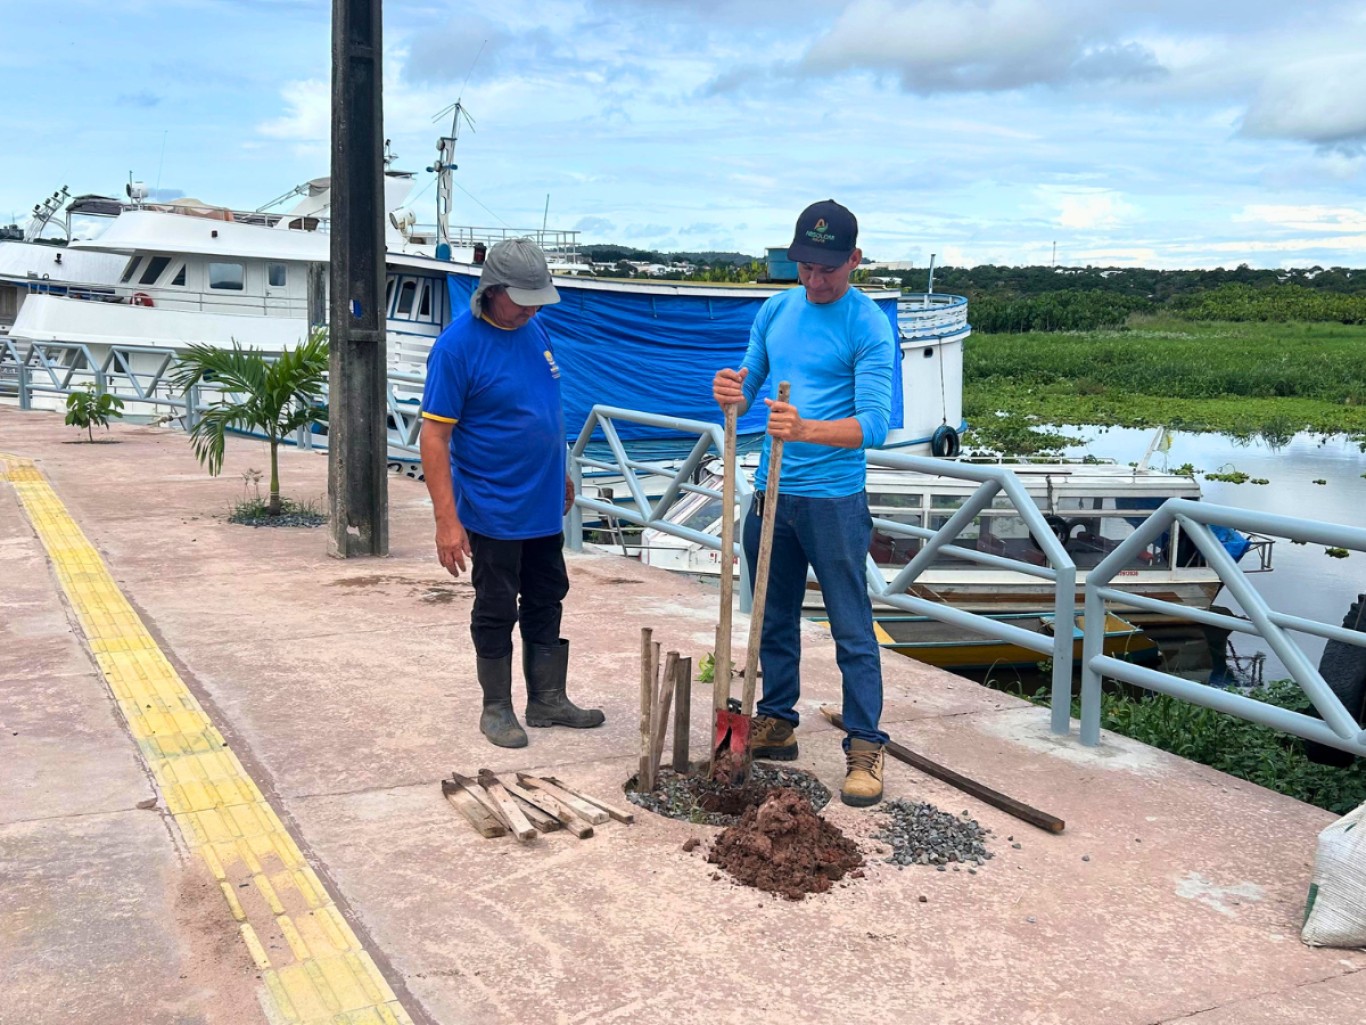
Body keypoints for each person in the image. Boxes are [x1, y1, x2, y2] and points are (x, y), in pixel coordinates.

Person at [712, 200, 896, 807]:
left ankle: (865, 745)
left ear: (854, 260)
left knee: (850, 626)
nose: (816, 281)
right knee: (770, 613)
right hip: (772, 492)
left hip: (834, 500)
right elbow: (747, 387)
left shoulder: (867, 323)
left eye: (828, 270)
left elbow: (875, 424)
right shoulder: (775, 309)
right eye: (805, 268)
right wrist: (729, 393)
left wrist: (805, 429)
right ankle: (777, 719)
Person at [419, 238, 605, 748]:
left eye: (538, 297)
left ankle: (548, 698)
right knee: (497, 604)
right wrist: (447, 520)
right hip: (494, 506)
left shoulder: (535, 328)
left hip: (543, 502)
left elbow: (545, 409)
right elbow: (434, 437)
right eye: (521, 298)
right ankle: (496, 706)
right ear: (492, 291)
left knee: (548, 595)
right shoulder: (458, 347)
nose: (531, 308)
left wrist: (561, 473)